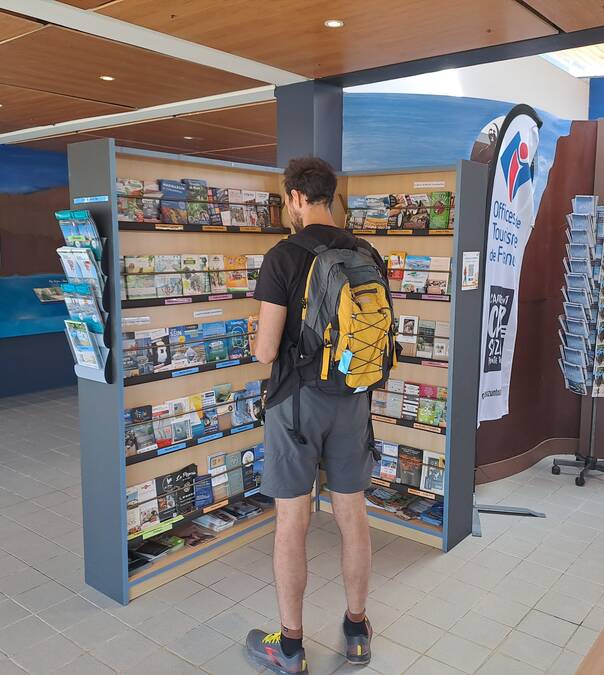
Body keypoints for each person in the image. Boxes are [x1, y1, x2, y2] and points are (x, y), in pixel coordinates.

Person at [246, 157, 377, 674]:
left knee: (291, 523)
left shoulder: (283, 256)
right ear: (331, 194)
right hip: (353, 400)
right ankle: (356, 631)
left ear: (297, 197)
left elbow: (265, 350)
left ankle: (292, 647)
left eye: (286, 200)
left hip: (296, 405)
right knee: (353, 516)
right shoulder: (365, 251)